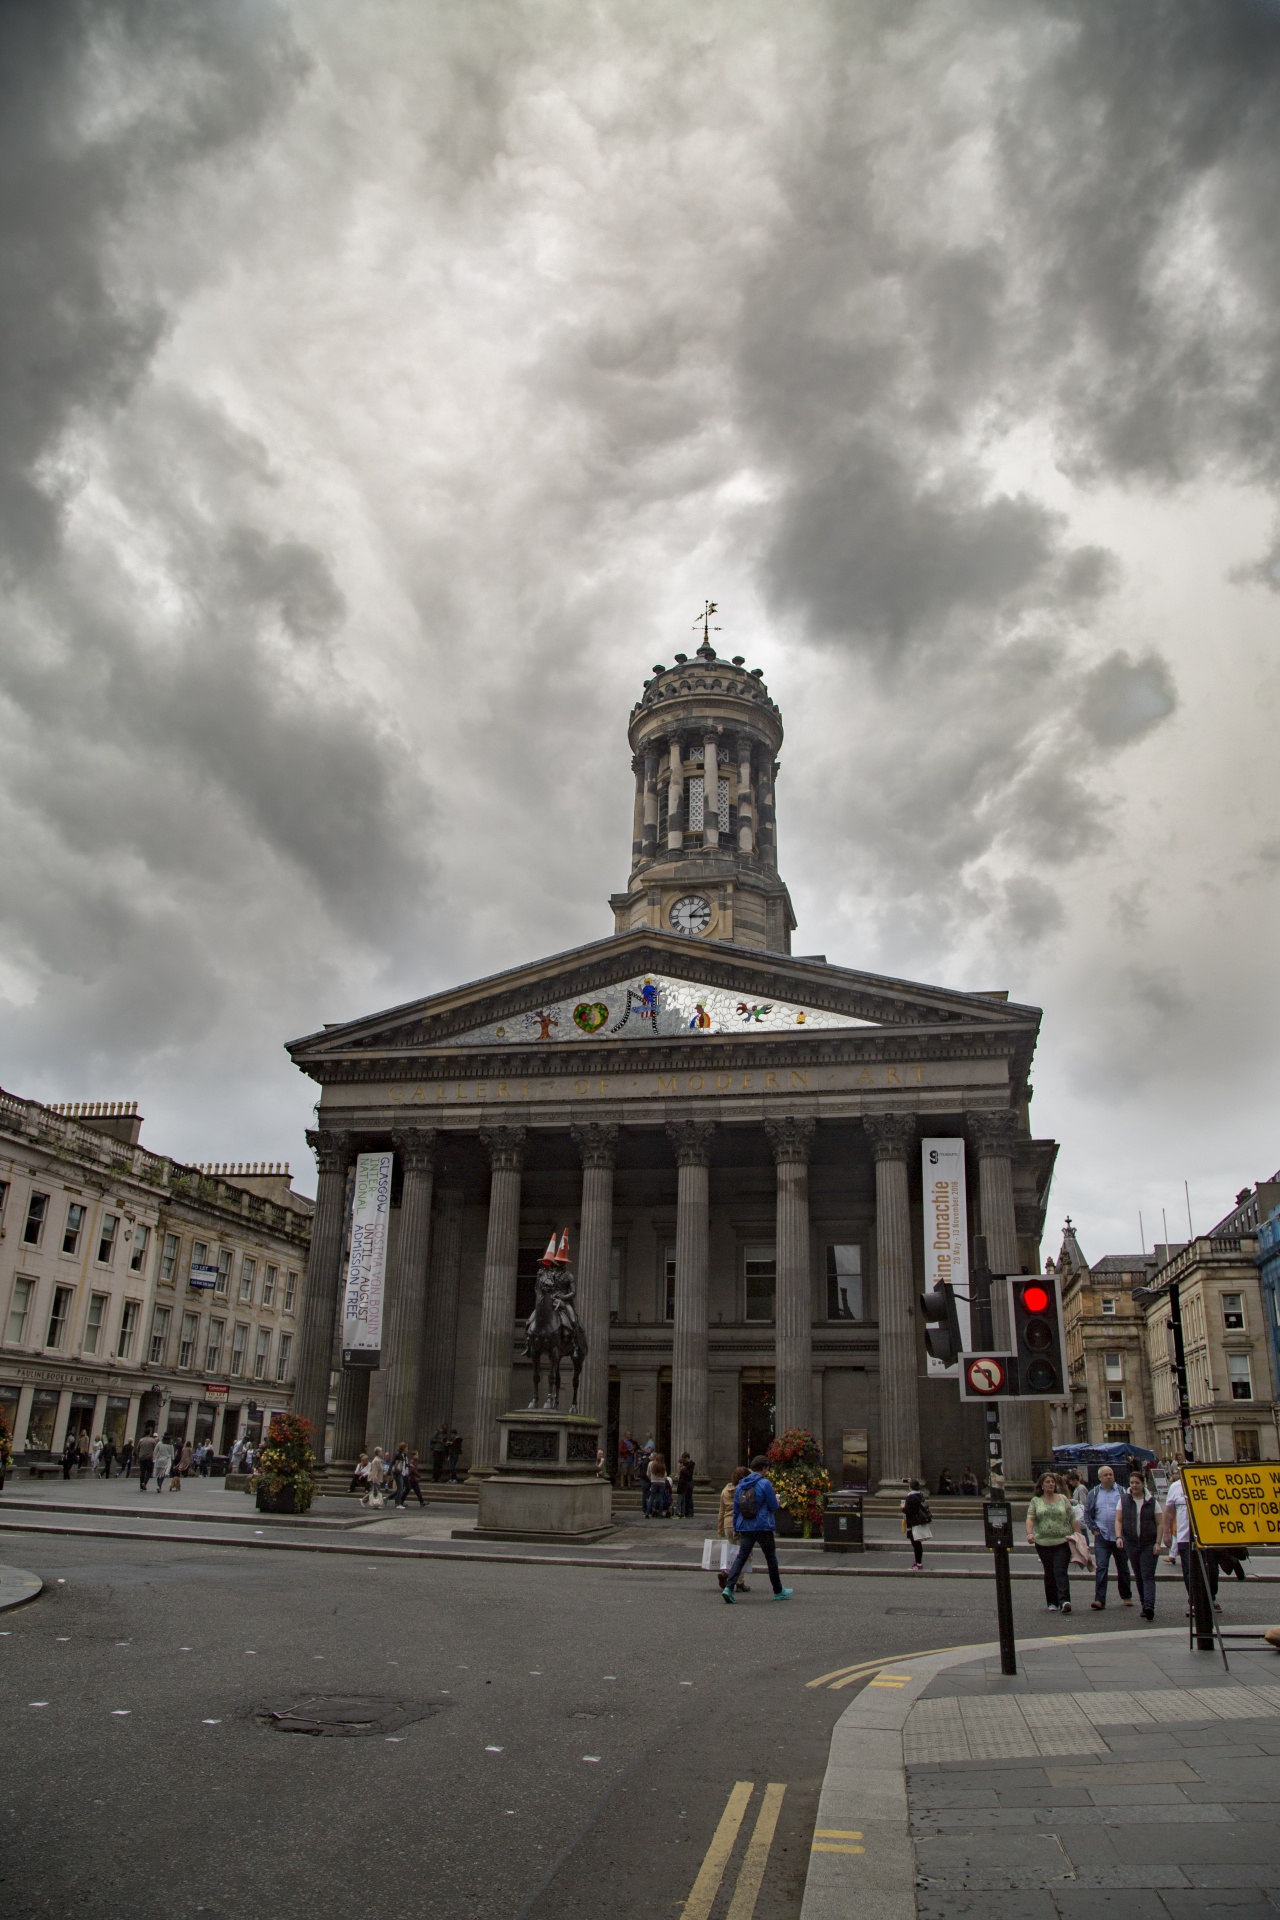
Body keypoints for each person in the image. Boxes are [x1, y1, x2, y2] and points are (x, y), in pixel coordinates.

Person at [722, 1455, 793, 1603]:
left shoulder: (741, 1484)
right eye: (767, 1469)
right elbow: (774, 1506)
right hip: (762, 1525)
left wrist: (736, 1526)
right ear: (765, 1468)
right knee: (770, 1558)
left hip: (745, 1526)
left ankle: (729, 1587)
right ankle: (778, 1590)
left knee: (741, 1557)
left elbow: (736, 1509)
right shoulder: (765, 1483)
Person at [1162, 1472, 1221, 1614]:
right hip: (1184, 1537)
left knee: (1212, 1570)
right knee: (1190, 1572)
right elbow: (1169, 1511)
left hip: (1208, 1537)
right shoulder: (1175, 1487)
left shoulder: (1208, 1483)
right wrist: (1166, 1532)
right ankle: (1195, 1602)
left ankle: (1211, 1598)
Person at [1025, 1469, 1080, 1613]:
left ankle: (1064, 1600)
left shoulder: (1063, 1499)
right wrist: (1029, 1534)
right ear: (1041, 1485)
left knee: (1060, 1570)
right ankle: (1052, 1601)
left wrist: (1078, 1535)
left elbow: (1072, 1518)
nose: (1050, 1484)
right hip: (1043, 1542)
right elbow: (1030, 1518)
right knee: (1049, 1571)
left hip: (1062, 1541)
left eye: (1052, 1482)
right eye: (1047, 1482)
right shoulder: (1036, 1501)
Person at [1084, 1466, 1133, 1611]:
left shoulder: (1122, 1492)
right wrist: (1094, 1529)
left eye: (1110, 1474)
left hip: (1120, 1537)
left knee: (1123, 1567)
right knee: (1102, 1567)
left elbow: (1129, 1512)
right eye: (1105, 1475)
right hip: (1102, 1536)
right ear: (1100, 1478)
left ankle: (1126, 1596)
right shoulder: (1094, 1493)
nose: (1108, 1477)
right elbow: (1087, 1513)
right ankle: (1099, 1599)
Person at [1117, 1469, 1159, 1619]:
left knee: (1148, 1575)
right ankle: (1144, 1604)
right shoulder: (1124, 1500)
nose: (1134, 1485)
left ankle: (1149, 1605)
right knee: (1139, 1575)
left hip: (1149, 1543)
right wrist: (1119, 1537)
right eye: (1132, 1483)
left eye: (1137, 1483)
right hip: (1132, 1542)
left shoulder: (1151, 1501)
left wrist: (1158, 1543)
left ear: (1143, 1484)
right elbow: (1119, 1520)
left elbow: (1160, 1523)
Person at [716, 1466, 751, 1592]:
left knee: (732, 1553)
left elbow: (721, 1511)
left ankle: (726, 1572)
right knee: (742, 1554)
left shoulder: (725, 1490)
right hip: (740, 1524)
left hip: (727, 1524)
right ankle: (740, 1581)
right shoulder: (744, 1490)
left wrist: (720, 1529)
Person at [902, 1479, 931, 1570]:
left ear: (910, 1487)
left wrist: (902, 1507)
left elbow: (908, 1510)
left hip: (913, 1522)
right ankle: (918, 1562)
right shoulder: (920, 1495)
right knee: (917, 1543)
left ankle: (918, 1563)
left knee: (916, 1544)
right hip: (919, 1521)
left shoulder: (910, 1497)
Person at [647, 1452, 672, 1518]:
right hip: (661, 1483)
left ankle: (647, 1513)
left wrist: (651, 1478)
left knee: (652, 1497)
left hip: (653, 1482)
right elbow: (665, 1475)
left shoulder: (651, 1464)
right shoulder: (663, 1465)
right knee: (661, 1497)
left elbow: (648, 1473)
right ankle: (660, 1513)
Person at [136, 1425, 157, 1492]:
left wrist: (138, 1456)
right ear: (150, 1433)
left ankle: (141, 1485)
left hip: (142, 1457)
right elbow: (155, 1449)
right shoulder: (153, 1440)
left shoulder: (141, 1440)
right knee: (149, 1471)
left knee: (142, 1471)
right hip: (149, 1457)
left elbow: (137, 1449)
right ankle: (144, 1483)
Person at [675, 1453, 695, 1519]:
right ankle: (685, 1511)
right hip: (685, 1482)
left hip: (688, 1482)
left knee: (689, 1497)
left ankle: (690, 1511)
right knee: (685, 1498)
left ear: (687, 1458)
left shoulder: (690, 1465)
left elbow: (689, 1474)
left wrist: (682, 1469)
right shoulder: (685, 1466)